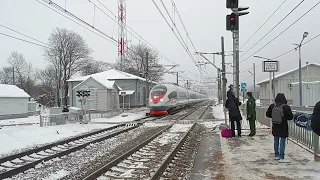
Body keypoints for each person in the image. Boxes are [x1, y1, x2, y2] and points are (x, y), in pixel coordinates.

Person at [266, 93, 293, 163]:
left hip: (275, 125)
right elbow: (290, 117)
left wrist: (275, 117)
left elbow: (267, 114)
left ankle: (276, 155)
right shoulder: (286, 107)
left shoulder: (272, 106)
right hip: (283, 126)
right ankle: (282, 157)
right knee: (282, 142)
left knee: (276, 140)